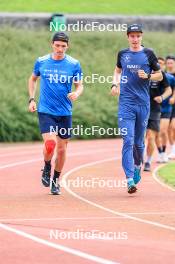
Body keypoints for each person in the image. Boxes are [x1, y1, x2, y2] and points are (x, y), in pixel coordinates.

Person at [28, 32, 83, 195]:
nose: (60, 49)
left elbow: (80, 85)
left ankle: (56, 181)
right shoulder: (42, 61)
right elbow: (32, 79)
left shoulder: (74, 64)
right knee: (50, 144)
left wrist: (77, 93)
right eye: (57, 45)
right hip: (46, 110)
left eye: (63, 46)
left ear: (68, 46)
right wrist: (31, 99)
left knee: (62, 150)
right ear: (52, 44)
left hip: (65, 112)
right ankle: (46, 167)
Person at [111, 24, 162, 194]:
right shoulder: (122, 54)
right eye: (132, 36)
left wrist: (148, 75)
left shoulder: (148, 54)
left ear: (141, 37)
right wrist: (114, 84)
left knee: (139, 144)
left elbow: (160, 75)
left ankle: (137, 165)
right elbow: (117, 71)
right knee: (128, 140)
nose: (135, 39)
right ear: (127, 37)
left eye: (137, 36)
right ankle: (129, 178)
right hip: (126, 103)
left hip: (143, 104)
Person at [144, 57, 172, 171]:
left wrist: (162, 97)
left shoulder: (160, 75)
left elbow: (169, 90)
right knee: (139, 139)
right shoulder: (137, 72)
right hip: (138, 109)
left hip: (154, 109)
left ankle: (148, 161)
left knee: (151, 137)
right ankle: (137, 159)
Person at [155, 57, 175, 163]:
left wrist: (173, 97)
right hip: (154, 109)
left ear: (164, 65)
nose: (159, 65)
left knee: (163, 131)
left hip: (167, 108)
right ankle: (161, 154)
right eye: (157, 63)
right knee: (156, 133)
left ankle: (166, 151)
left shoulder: (170, 78)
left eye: (161, 64)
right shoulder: (152, 78)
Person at [166, 56, 175, 159]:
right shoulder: (164, 75)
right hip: (167, 105)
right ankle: (173, 150)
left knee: (173, 127)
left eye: (171, 63)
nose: (169, 65)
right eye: (168, 63)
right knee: (169, 129)